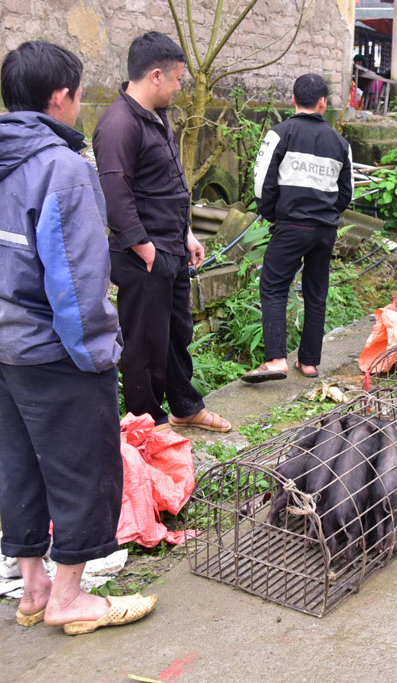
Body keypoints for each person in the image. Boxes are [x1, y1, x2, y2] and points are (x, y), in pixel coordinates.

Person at [0, 41, 156, 635]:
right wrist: (98, 355)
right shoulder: (64, 169)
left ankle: (34, 589)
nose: (79, 106)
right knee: (81, 467)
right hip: (56, 352)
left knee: (21, 463)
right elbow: (77, 282)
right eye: (79, 95)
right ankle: (71, 598)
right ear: (60, 97)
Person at [93, 32, 230, 433]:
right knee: (144, 346)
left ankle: (185, 406)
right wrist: (144, 246)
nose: (180, 87)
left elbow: (168, 184)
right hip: (143, 255)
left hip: (170, 247)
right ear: (156, 75)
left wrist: (186, 233)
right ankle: (145, 429)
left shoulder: (156, 117)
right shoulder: (118, 125)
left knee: (175, 336)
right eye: (178, 80)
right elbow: (115, 193)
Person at [240, 74, 353, 383]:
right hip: (325, 229)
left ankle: (276, 359)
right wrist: (327, 214)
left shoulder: (280, 134)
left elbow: (262, 182)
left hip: (290, 224)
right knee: (317, 292)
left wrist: (270, 215)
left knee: (273, 287)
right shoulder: (341, 143)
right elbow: (347, 193)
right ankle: (309, 363)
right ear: (323, 103)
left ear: (293, 100)